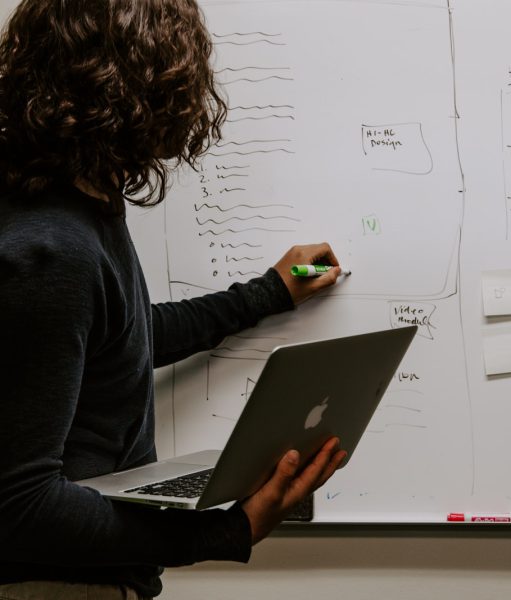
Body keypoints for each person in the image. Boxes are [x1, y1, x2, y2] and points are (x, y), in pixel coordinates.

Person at [0, 1, 348, 598]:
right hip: (53, 586)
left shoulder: (78, 206)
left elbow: (119, 340)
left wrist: (269, 292)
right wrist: (225, 533)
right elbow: (19, 509)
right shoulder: (50, 247)